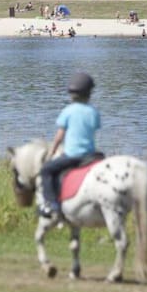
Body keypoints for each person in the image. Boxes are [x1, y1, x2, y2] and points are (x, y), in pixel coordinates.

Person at [37, 72, 101, 219]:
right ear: (89, 93)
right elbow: (94, 129)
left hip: (72, 156)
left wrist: (52, 152)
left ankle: (51, 204)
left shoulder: (68, 111)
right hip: (90, 155)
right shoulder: (93, 112)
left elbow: (60, 136)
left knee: (46, 171)